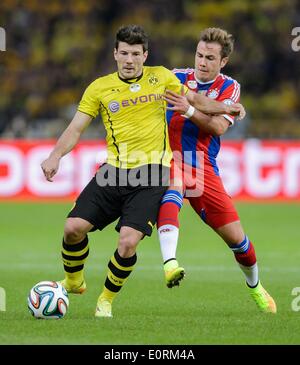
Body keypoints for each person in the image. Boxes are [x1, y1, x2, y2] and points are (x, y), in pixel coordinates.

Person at [41, 24, 244, 318]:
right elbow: (75, 128)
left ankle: (106, 300)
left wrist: (229, 106)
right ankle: (74, 281)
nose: (129, 59)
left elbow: (197, 101)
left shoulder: (161, 77)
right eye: (124, 53)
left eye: (136, 54)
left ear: (145, 55)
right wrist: (55, 155)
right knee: (72, 229)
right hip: (114, 171)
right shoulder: (98, 88)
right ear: (115, 54)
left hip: (153, 175)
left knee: (127, 241)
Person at [157, 27, 276, 313]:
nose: (202, 62)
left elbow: (219, 127)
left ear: (223, 62)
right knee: (175, 182)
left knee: (239, 242)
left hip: (202, 167)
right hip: (167, 158)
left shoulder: (229, 87)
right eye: (199, 55)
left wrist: (188, 110)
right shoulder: (175, 77)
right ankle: (170, 263)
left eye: (210, 57)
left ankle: (256, 287)